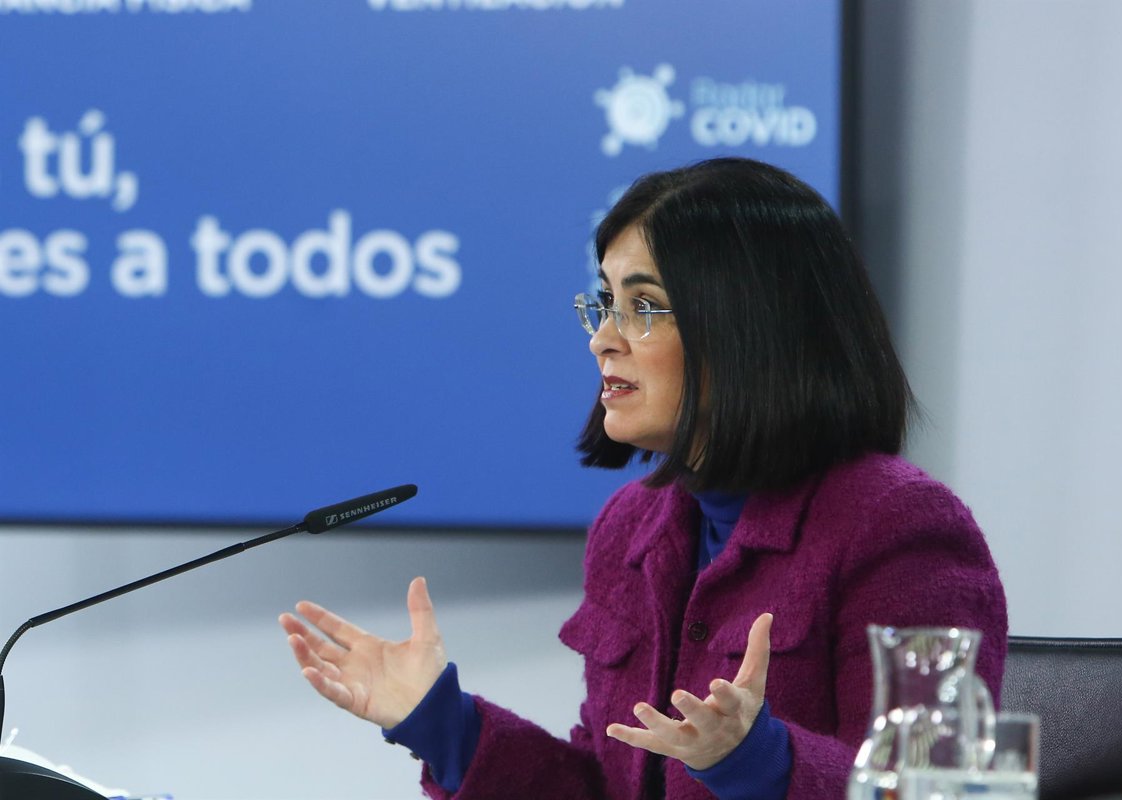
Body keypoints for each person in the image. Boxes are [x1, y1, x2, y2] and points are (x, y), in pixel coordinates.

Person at [278, 157, 1007, 799]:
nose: (603, 339)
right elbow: (601, 785)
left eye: (645, 307)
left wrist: (757, 761)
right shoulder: (631, 527)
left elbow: (931, 788)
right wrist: (445, 726)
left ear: (750, 326)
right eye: (605, 303)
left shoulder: (898, 528)